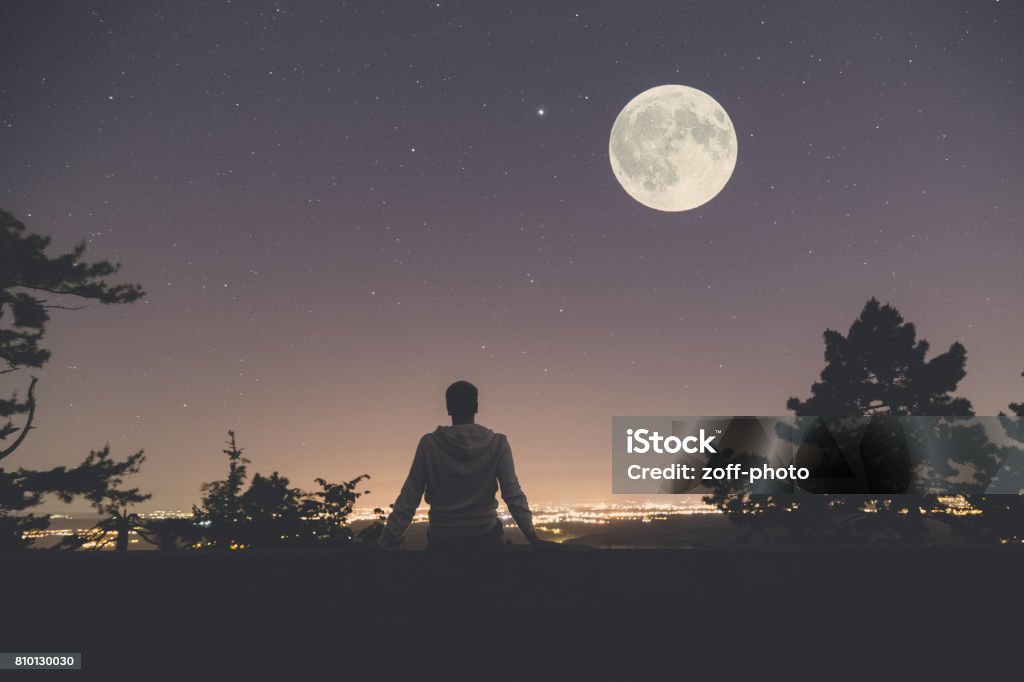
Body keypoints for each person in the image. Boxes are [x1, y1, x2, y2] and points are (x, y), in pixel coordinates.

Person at [377, 380, 549, 549]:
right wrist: (533, 538)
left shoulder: (429, 444)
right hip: (485, 537)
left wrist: (383, 543)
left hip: (442, 539)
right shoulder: (497, 443)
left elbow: (409, 497)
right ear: (476, 407)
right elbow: (512, 493)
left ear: (448, 408)